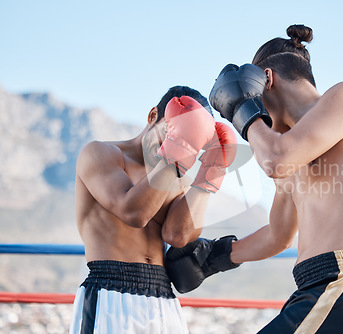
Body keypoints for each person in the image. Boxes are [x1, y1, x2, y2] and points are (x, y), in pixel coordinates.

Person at [171, 24, 343, 333]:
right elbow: (278, 235)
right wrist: (213, 258)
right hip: (322, 293)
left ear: (266, 79)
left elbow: (275, 159)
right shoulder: (290, 148)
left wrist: (241, 108)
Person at [69, 86, 238, 333]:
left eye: (189, 142)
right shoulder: (101, 153)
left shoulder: (176, 176)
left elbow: (178, 235)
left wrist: (210, 173)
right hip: (110, 292)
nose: (169, 146)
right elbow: (134, 213)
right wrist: (176, 152)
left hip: (163, 299)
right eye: (169, 135)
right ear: (152, 117)